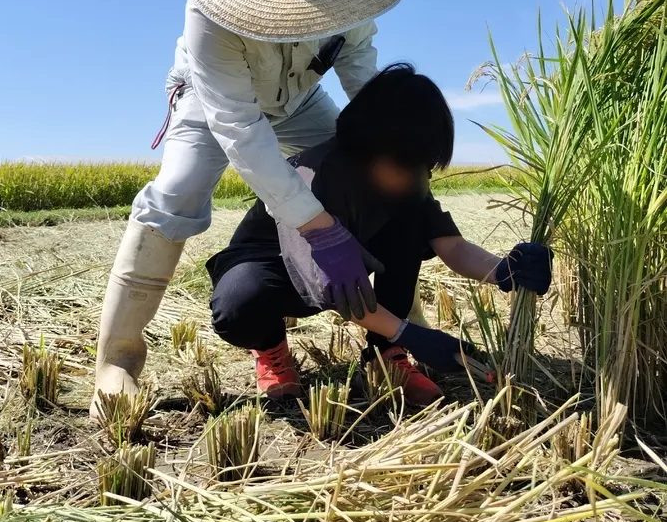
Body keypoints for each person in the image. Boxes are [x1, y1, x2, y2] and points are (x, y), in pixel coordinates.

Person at [91, 0, 405, 414]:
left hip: (301, 100)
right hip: (213, 100)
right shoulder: (209, 15)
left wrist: (392, 149)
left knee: (376, 173)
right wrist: (318, 225)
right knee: (178, 190)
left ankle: (397, 336)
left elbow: (361, 77)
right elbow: (238, 126)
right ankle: (116, 360)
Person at [207, 64, 553, 405]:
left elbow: (452, 246)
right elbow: (333, 288)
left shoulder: (407, 181)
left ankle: (384, 353)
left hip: (343, 272)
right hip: (274, 272)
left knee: (407, 225)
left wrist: (505, 269)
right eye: (409, 164)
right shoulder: (312, 176)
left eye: (426, 165)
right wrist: (411, 333)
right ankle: (270, 348)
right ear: (371, 154)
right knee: (240, 305)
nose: (420, 177)